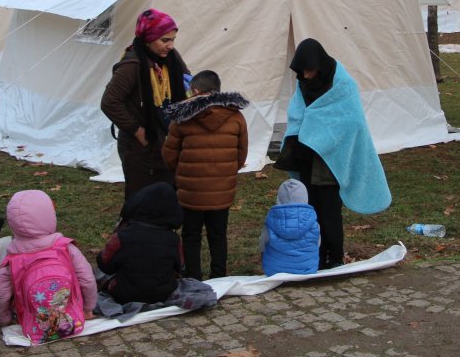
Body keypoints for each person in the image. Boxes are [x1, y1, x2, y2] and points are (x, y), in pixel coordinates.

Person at [275, 38, 391, 269]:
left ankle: (335, 257)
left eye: (309, 70)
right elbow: (298, 114)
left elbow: (353, 122)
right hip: (307, 159)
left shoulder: (343, 85)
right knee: (310, 211)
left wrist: (322, 135)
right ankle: (317, 256)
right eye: (301, 71)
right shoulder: (303, 84)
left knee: (330, 213)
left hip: (331, 162)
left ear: (319, 65)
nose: (305, 76)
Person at [162, 70, 249, 281]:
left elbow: (169, 155)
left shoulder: (182, 118)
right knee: (218, 234)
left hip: (191, 192)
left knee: (191, 235)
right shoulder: (236, 116)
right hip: (222, 190)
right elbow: (241, 154)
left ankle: (193, 277)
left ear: (195, 91)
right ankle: (219, 276)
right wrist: (225, 172)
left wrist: (184, 174)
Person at [101, 8, 190, 200]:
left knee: (168, 194)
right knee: (141, 198)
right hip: (141, 146)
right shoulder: (132, 64)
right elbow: (110, 102)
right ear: (148, 38)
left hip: (166, 139)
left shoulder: (172, 58)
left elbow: (186, 82)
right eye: (165, 40)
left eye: (173, 40)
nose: (170, 46)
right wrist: (136, 130)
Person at [0, 190, 97, 340]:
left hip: (31, 324)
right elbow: (87, 279)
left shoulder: (13, 259)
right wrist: (88, 308)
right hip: (75, 318)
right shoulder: (65, 248)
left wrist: (5, 319)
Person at [96, 182, 185, 304]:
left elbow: (105, 265)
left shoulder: (122, 236)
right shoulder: (174, 239)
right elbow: (180, 267)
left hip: (124, 294)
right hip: (163, 294)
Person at [260, 178, 320, 276]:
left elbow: (262, 244)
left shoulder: (270, 222)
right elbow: (317, 244)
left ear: (279, 198)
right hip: (307, 269)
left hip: (274, 271)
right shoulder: (313, 222)